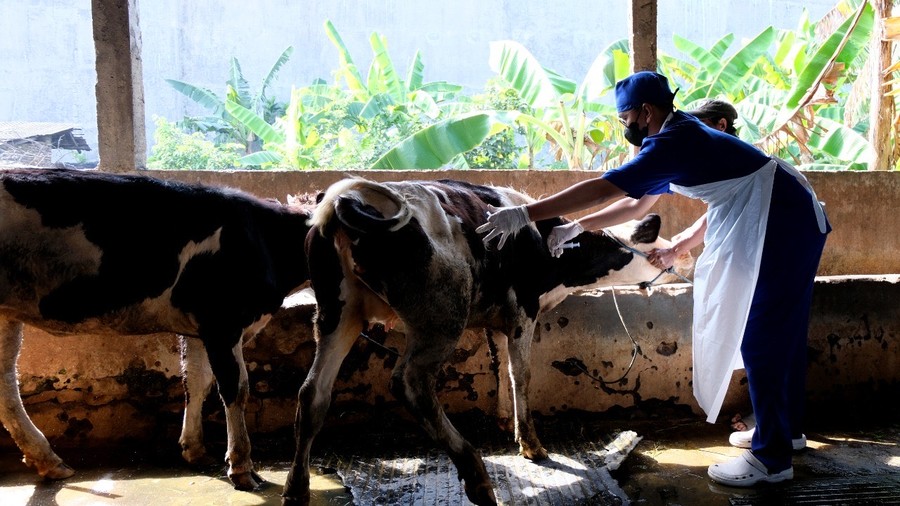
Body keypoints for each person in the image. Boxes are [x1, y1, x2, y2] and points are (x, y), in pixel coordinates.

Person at [476, 71, 830, 487]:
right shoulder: (678, 134)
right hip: (785, 211)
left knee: (762, 335)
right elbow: (634, 205)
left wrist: (526, 213)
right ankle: (784, 431)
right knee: (780, 330)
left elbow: (604, 187)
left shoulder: (673, 141)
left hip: (780, 219)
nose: (625, 126)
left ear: (645, 111)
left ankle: (772, 459)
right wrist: (577, 227)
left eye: (625, 118)